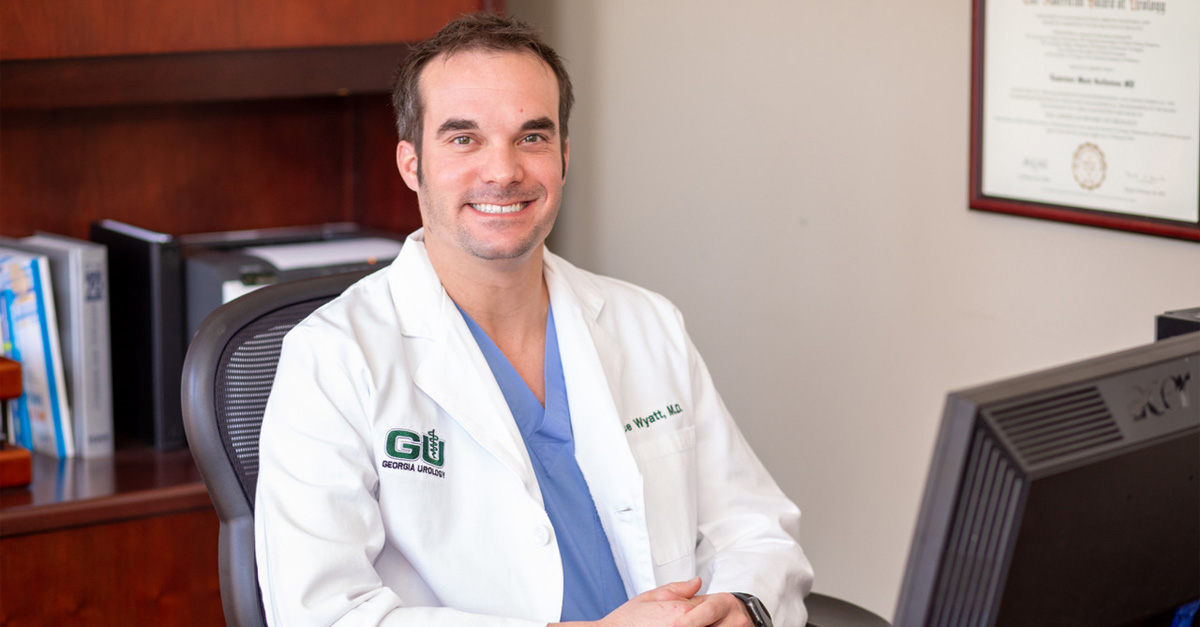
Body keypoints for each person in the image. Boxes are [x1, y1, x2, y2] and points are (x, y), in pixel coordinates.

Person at [254, 13, 813, 627]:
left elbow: (754, 525)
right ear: (412, 165)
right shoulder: (332, 357)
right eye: (463, 138)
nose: (503, 171)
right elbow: (324, 614)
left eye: (532, 137)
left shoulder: (646, 323)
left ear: (564, 157)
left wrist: (743, 606)